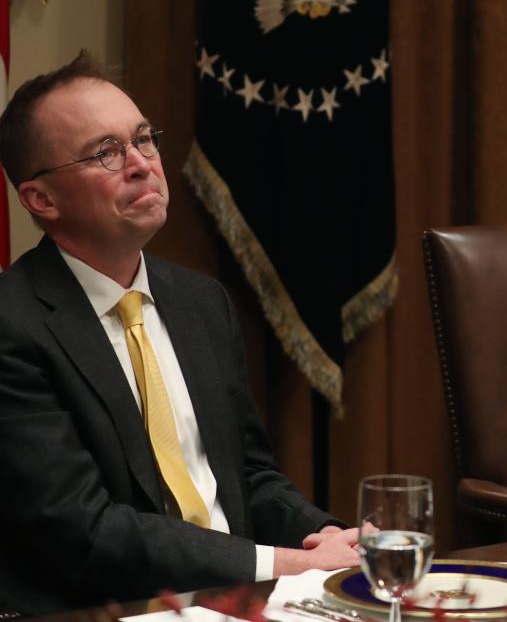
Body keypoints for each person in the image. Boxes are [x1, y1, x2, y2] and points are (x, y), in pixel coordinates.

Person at [0, 52, 361, 615]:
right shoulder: (12, 323)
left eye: (144, 139)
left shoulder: (199, 301)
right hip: (114, 609)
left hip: (247, 596)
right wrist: (282, 562)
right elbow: (84, 532)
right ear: (40, 200)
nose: (142, 164)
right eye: (106, 153)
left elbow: (248, 476)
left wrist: (327, 540)